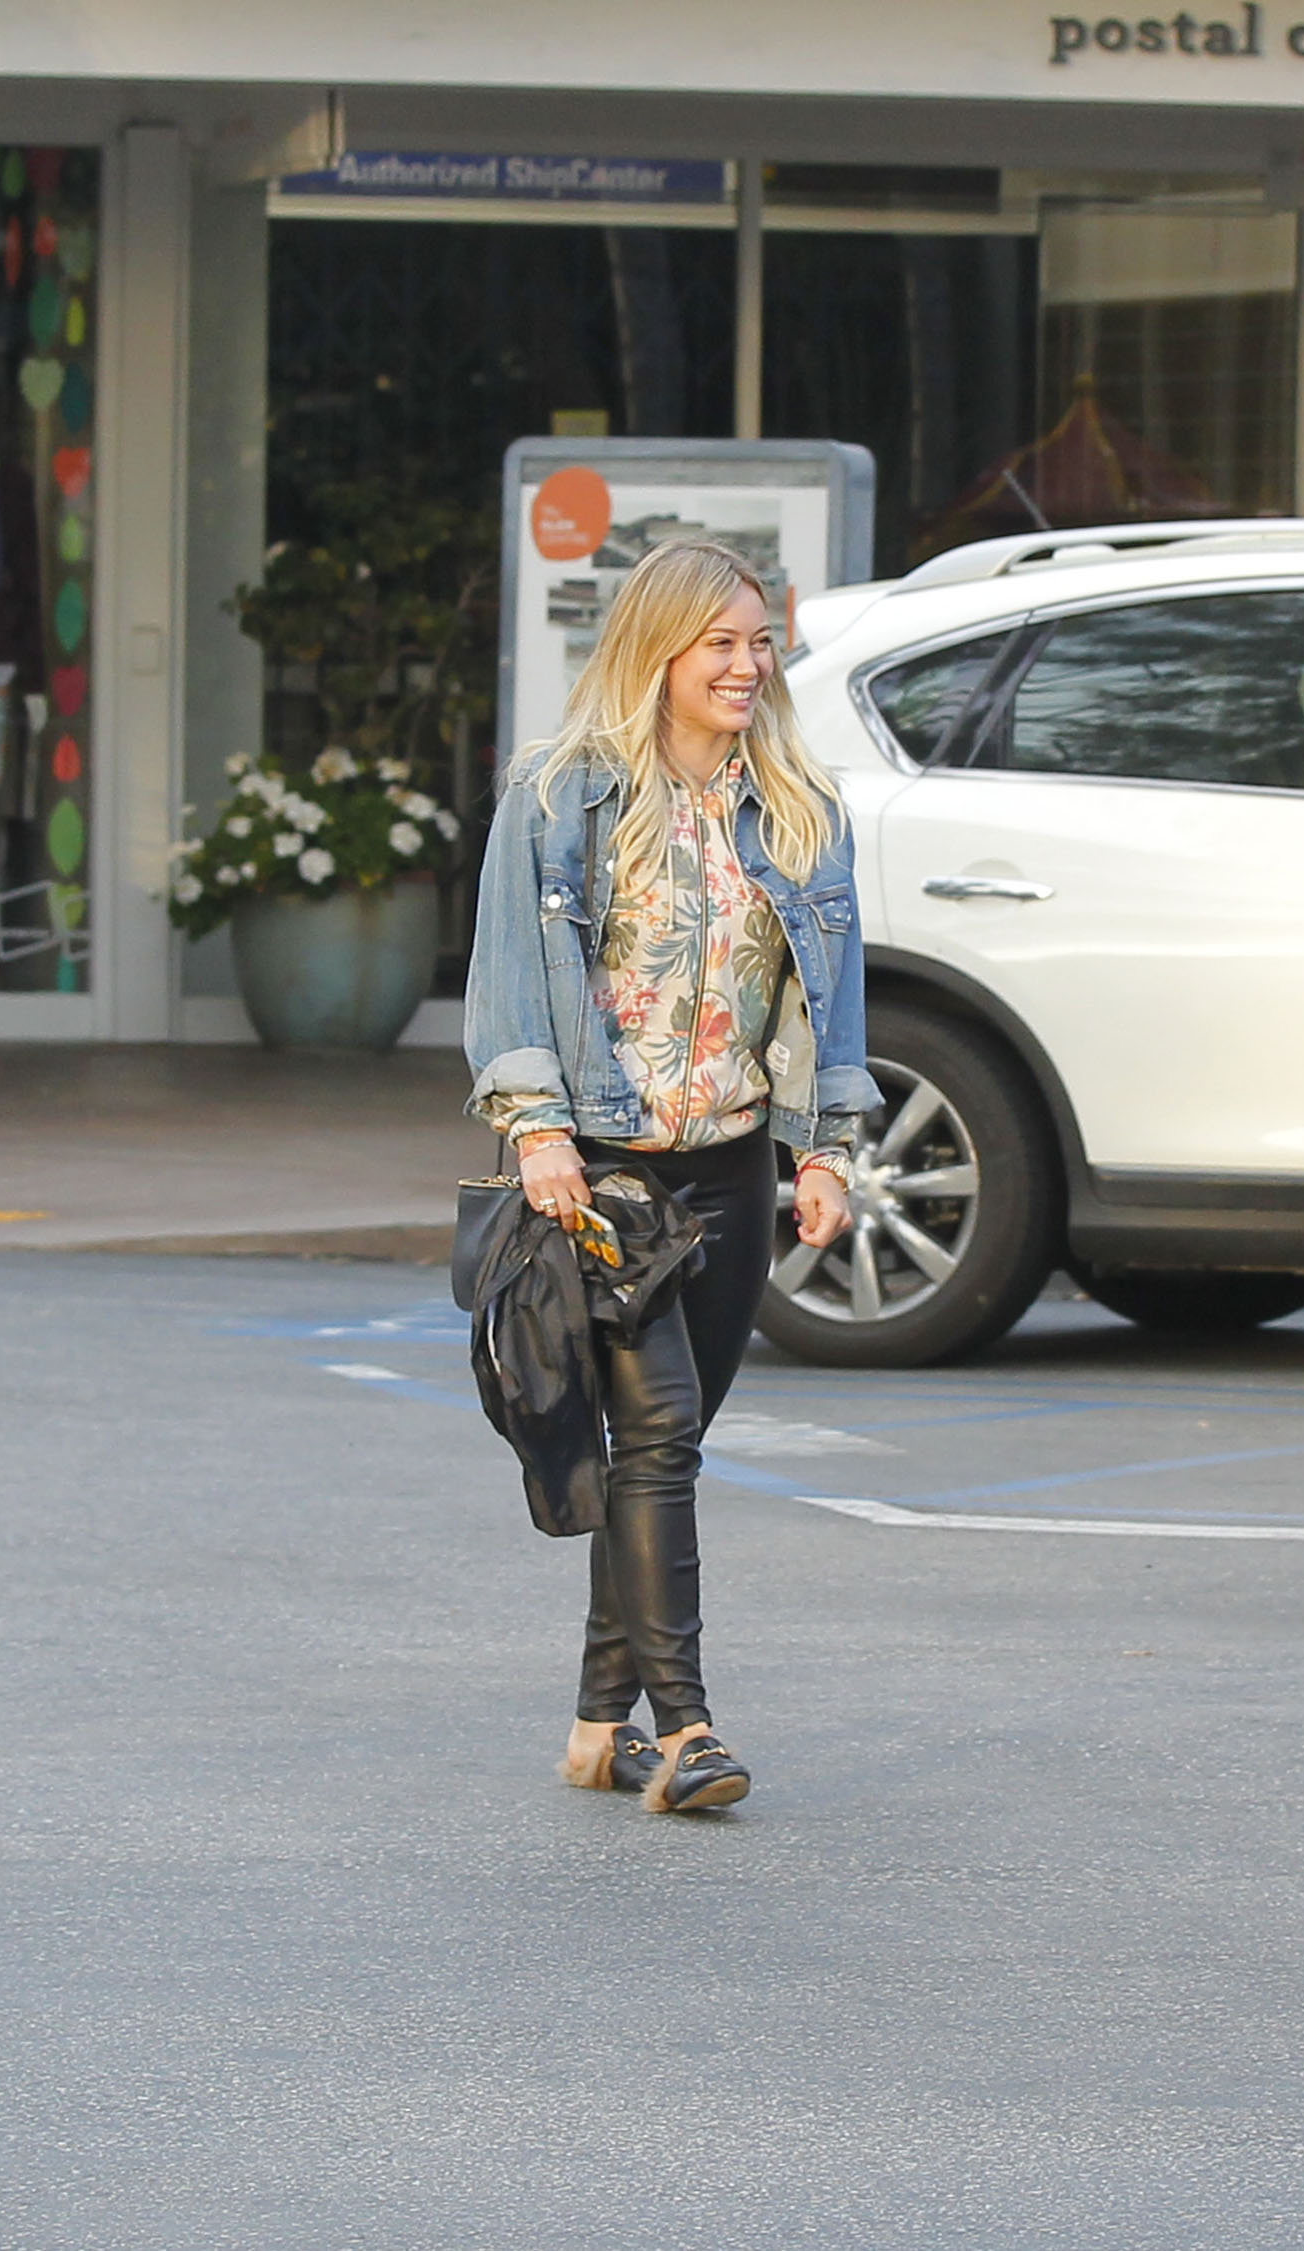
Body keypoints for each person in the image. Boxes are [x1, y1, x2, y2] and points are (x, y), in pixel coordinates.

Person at [464, 537, 878, 1814]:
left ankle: (602, 1721)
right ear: (659, 649)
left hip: (731, 1165)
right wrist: (538, 1130)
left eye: (760, 642)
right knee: (655, 1439)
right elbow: (511, 979)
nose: (749, 665)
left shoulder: (800, 807)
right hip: (606, 1170)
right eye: (723, 644)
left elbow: (832, 1000)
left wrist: (824, 1145)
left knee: (671, 1441)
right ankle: (689, 1729)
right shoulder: (562, 794)